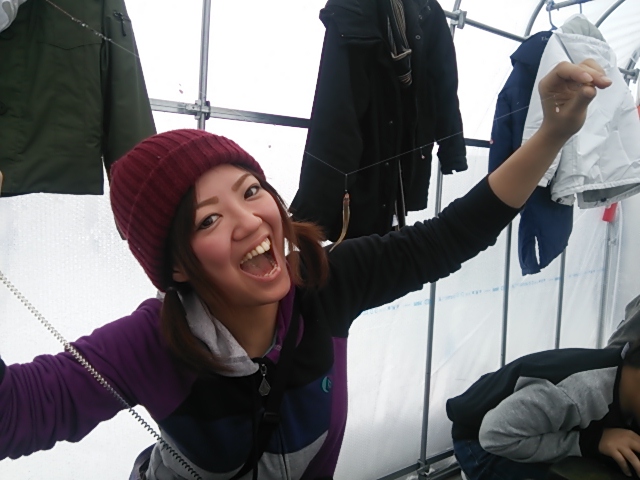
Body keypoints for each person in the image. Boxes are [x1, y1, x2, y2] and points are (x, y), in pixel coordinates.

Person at [0, 59, 610, 480]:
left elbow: (449, 238)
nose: (249, 220)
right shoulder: (154, 343)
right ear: (178, 267)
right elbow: (18, 411)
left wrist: (552, 134)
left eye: (251, 190)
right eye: (208, 220)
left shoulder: (325, 282)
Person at [447, 340, 640, 480]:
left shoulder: (627, 382)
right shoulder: (576, 392)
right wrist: (591, 441)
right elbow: (493, 435)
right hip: (481, 444)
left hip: (529, 429)